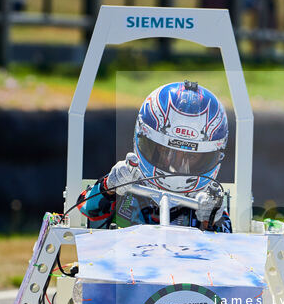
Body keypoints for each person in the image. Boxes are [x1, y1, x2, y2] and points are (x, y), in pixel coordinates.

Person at [76, 81, 231, 233]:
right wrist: (108, 187)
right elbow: (86, 208)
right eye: (166, 151)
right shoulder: (126, 182)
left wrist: (210, 221)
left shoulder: (206, 202)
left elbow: (227, 242)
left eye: (190, 156)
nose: (176, 164)